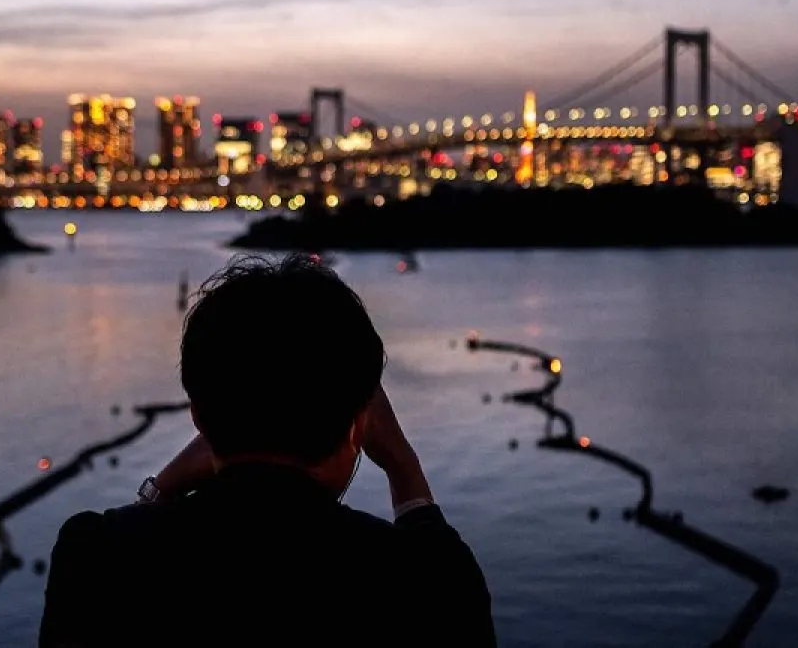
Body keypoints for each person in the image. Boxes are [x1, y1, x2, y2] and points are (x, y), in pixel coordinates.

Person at [40, 254, 496, 647]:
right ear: (360, 425)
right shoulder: (422, 585)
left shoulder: (96, 553)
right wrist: (402, 465)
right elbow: (448, 589)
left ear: (198, 414)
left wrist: (162, 488)